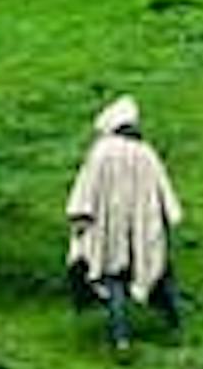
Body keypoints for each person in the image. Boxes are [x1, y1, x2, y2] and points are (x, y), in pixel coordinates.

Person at [65, 95, 184, 352]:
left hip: (109, 229)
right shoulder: (146, 153)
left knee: (113, 276)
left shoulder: (101, 152)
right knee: (159, 270)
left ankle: (121, 338)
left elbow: (87, 189)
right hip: (144, 228)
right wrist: (170, 218)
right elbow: (164, 190)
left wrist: (80, 217)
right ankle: (177, 326)